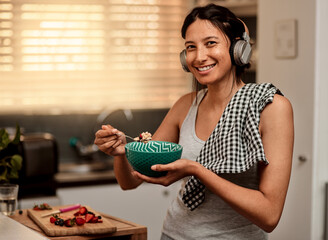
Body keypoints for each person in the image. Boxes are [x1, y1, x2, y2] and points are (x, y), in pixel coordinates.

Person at [94, 3, 294, 240]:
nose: (199, 57)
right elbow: (131, 181)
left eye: (211, 43)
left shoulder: (270, 107)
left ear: (239, 49)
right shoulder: (185, 105)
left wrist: (196, 170)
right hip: (173, 234)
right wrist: (121, 154)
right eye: (191, 47)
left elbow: (269, 216)